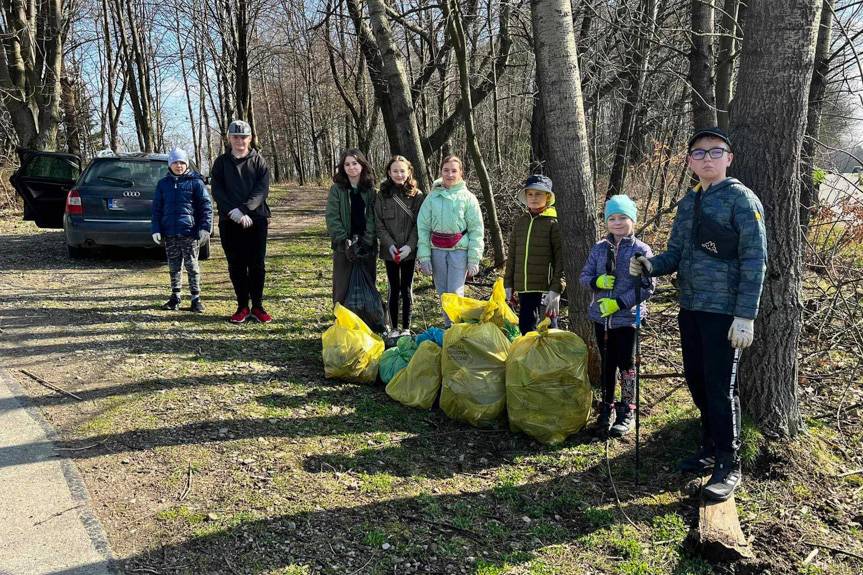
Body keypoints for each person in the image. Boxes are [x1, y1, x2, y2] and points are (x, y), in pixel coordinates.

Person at [630, 126, 767, 501]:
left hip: (725, 314)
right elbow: (676, 253)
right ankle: (708, 446)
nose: (707, 158)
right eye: (699, 153)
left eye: (715, 152)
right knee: (697, 380)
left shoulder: (742, 200)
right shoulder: (689, 202)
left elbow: (755, 260)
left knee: (721, 389)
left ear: (729, 158)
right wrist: (650, 265)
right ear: (690, 162)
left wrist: (745, 315)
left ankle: (729, 461)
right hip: (690, 306)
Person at [580, 195, 654, 437]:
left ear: (632, 219)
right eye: (612, 218)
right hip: (601, 318)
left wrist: (620, 303)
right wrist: (596, 281)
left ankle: (627, 410)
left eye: (623, 217)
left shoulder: (641, 249)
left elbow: (648, 286)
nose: (617, 222)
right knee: (607, 364)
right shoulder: (599, 248)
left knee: (627, 365)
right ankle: (607, 409)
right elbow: (584, 277)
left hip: (627, 319)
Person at [210, 120, 273, 324]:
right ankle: (242, 306)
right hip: (230, 222)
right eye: (235, 137)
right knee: (236, 265)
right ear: (229, 139)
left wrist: (245, 210)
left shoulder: (259, 161)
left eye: (243, 137)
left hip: (256, 221)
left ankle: (258, 306)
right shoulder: (221, 163)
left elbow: (262, 190)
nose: (240, 140)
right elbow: (218, 191)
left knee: (256, 265)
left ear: (250, 139)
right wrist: (233, 212)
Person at [416, 155, 484, 327]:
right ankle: (449, 328)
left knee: (455, 292)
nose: (450, 174)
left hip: (459, 250)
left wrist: (474, 259)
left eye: (454, 170)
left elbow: (476, 230)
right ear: (441, 172)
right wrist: (424, 256)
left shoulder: (468, 198)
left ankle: (456, 327)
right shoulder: (432, 197)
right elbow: (423, 227)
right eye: (446, 170)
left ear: (461, 173)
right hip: (436, 250)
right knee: (443, 293)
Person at [151, 147, 213, 313]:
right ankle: (175, 296)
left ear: (187, 164)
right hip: (170, 233)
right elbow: (156, 208)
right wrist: (156, 228)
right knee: (174, 266)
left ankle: (195, 298)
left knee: (192, 266)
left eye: (182, 162)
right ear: (170, 164)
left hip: (190, 233)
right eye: (175, 162)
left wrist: (205, 228)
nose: (178, 165)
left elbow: (206, 207)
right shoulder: (163, 184)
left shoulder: (196, 183)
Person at [503, 175, 565, 335]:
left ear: (548, 196)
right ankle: (529, 359)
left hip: (545, 288)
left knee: (548, 330)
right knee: (526, 328)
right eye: (530, 194)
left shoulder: (554, 223)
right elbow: (512, 255)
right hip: (524, 288)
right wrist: (508, 284)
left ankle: (550, 360)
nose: (534, 198)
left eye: (539, 194)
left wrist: (556, 289)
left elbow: (561, 259)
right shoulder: (521, 222)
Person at [375, 155, 425, 338]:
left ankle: (406, 328)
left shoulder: (417, 195)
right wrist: (389, 245)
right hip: (390, 252)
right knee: (393, 288)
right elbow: (378, 223)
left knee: (406, 288)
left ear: (409, 172)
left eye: (402, 171)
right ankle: (394, 327)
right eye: (395, 171)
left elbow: (420, 224)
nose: (399, 174)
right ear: (389, 172)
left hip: (408, 253)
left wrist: (410, 247)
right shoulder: (381, 195)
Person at [325, 149, 377, 306]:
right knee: (342, 285)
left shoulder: (371, 191)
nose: (351, 167)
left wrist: (366, 241)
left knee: (367, 282)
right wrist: (343, 240)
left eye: (355, 163)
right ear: (342, 167)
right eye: (347, 164)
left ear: (362, 165)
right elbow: (332, 217)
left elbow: (373, 218)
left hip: (367, 245)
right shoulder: (337, 190)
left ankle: (367, 320)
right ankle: (341, 320)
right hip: (343, 246)